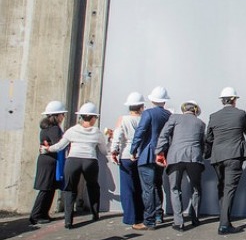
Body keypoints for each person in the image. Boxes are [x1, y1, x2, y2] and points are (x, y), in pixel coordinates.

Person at [41, 102, 108, 229]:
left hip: (73, 161)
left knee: (69, 189)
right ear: (93, 118)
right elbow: (104, 151)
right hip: (90, 161)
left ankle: (68, 221)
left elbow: (60, 146)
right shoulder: (97, 132)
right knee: (93, 187)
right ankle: (95, 214)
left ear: (81, 117)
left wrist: (47, 149)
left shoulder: (72, 130)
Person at [204, 87, 246, 235]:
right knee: (229, 188)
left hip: (217, 157)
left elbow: (209, 138)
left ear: (222, 100)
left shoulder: (213, 116)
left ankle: (224, 219)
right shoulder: (240, 114)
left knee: (222, 188)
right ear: (234, 100)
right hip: (234, 155)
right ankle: (224, 225)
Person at [155, 100, 205, 232]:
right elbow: (202, 143)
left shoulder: (174, 118)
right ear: (195, 111)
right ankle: (195, 218)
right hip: (194, 157)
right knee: (196, 188)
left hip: (175, 157)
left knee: (175, 188)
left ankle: (179, 222)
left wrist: (159, 151)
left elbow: (164, 134)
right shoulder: (200, 123)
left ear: (183, 109)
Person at [130, 86, 171, 231]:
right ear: (164, 101)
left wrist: (133, 150)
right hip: (161, 155)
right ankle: (159, 215)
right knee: (157, 185)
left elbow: (140, 132)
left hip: (147, 155)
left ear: (152, 99)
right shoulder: (168, 115)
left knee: (148, 188)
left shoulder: (148, 113)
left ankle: (149, 220)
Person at [29, 101, 67, 225]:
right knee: (46, 189)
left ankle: (44, 213)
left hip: (45, 160)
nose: (63, 117)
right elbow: (59, 145)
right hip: (50, 161)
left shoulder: (45, 129)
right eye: (62, 114)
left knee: (50, 188)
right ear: (56, 116)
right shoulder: (55, 129)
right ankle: (36, 215)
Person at [110, 92, 145, 226]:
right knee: (140, 187)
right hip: (141, 156)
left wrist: (113, 151)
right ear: (141, 106)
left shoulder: (123, 119)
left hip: (125, 155)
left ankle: (130, 218)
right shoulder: (145, 118)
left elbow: (117, 137)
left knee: (127, 188)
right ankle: (141, 215)